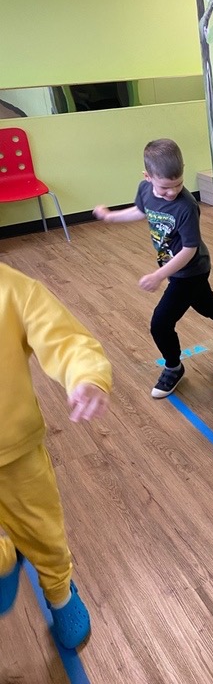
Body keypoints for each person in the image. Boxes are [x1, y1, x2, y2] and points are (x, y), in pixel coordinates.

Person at [0, 263, 112, 648]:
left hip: (16, 455)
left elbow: (66, 340)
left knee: (44, 533)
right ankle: (7, 558)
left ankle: (60, 593)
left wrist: (86, 375)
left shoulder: (14, 290)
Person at [94, 139, 213, 398]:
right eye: (165, 187)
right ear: (147, 177)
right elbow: (141, 211)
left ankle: (173, 367)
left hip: (191, 271)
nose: (173, 191)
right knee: (208, 306)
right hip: (175, 269)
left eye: (178, 184)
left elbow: (189, 250)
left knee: (160, 323)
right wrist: (111, 216)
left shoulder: (186, 205)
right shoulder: (145, 190)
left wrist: (159, 275)